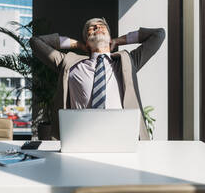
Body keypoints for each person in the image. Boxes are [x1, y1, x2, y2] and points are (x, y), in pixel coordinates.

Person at [30, 17, 165, 140]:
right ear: (87, 41)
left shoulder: (127, 62)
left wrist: (118, 41)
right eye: (92, 28)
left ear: (109, 37)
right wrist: (77, 44)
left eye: (102, 26)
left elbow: (158, 34)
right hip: (80, 138)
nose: (97, 28)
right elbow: (36, 42)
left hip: (121, 139)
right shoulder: (69, 63)